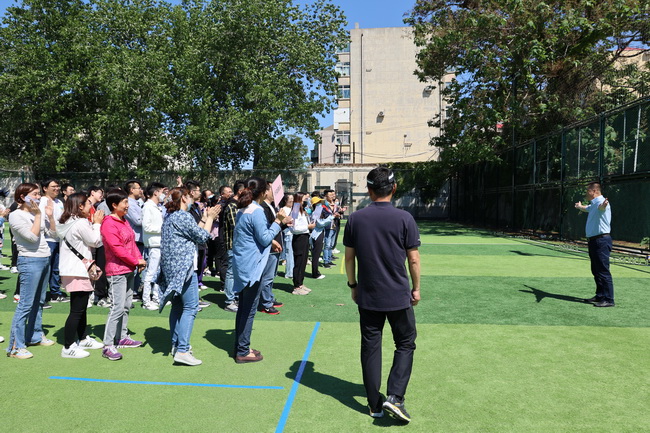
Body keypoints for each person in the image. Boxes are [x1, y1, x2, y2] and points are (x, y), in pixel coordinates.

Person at [343, 167, 421, 423]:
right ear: (394, 188)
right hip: (398, 295)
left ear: (369, 190)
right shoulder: (405, 218)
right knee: (405, 342)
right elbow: (413, 259)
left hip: (368, 295)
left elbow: (349, 258)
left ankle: (374, 404)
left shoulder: (355, 219)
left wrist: (353, 285)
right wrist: (416, 288)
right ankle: (395, 396)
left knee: (370, 346)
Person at [158, 187, 220, 366]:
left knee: (178, 306)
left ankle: (177, 345)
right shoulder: (183, 216)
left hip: (173, 269)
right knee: (191, 307)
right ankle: (183, 350)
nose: (192, 197)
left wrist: (204, 218)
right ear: (183, 198)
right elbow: (202, 237)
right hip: (184, 268)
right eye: (188, 195)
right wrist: (210, 218)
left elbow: (193, 233)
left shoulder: (171, 216)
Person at [231, 177, 287, 363]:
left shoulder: (243, 209)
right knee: (248, 310)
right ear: (263, 192)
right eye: (269, 189)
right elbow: (263, 238)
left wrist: (270, 239)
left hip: (243, 263)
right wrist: (278, 221)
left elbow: (254, 236)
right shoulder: (256, 211)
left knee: (244, 307)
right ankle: (242, 350)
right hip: (252, 266)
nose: (271, 192)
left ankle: (241, 346)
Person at [6, 183, 56, 359]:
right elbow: (32, 237)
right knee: (25, 304)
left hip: (44, 258)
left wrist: (49, 217)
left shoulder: (36, 213)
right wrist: (39, 216)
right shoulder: (15, 215)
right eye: (34, 194)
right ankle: (15, 347)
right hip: (29, 260)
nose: (38, 197)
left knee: (39, 301)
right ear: (22, 197)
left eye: (38, 194)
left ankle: (34, 336)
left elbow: (53, 234)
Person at [100, 188, 147, 361]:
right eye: (125, 202)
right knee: (117, 308)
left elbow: (132, 244)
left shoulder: (123, 220)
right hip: (116, 271)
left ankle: (122, 337)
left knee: (126, 305)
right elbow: (117, 248)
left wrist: (139, 259)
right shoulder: (108, 223)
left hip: (129, 270)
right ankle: (108, 345)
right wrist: (136, 261)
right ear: (114, 205)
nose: (128, 206)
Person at [57, 193, 105, 358]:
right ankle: (68, 346)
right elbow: (96, 241)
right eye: (88, 204)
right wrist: (97, 224)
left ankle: (83, 338)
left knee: (81, 307)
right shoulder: (80, 222)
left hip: (71, 269)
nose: (91, 207)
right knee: (77, 310)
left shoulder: (67, 221)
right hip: (78, 270)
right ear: (80, 206)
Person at [574, 182, 615, 307]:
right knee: (596, 270)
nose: (586, 193)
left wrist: (604, 205)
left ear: (594, 191)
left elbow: (602, 207)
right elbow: (587, 208)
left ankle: (609, 299)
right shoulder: (593, 204)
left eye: (587, 191)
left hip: (601, 241)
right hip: (594, 241)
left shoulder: (601, 202)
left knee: (603, 270)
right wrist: (580, 206)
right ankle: (600, 295)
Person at [258, 182, 285, 315]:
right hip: (269, 245)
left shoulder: (271, 206)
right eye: (273, 190)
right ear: (266, 192)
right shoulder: (262, 207)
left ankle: (269, 298)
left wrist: (283, 222)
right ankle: (266, 303)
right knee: (267, 277)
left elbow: (276, 225)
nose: (276, 193)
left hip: (275, 244)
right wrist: (272, 241)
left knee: (271, 276)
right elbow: (267, 229)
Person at [40, 178, 67, 303]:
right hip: (47, 239)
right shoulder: (43, 201)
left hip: (58, 239)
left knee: (56, 268)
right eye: (53, 186)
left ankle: (55, 292)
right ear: (45, 188)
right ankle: (42, 296)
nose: (57, 188)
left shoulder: (59, 202)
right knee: (46, 268)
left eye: (58, 186)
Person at [142, 182, 166, 310]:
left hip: (159, 243)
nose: (163, 195)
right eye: (162, 192)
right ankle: (146, 300)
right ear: (156, 193)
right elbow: (146, 226)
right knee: (150, 273)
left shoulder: (157, 207)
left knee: (158, 272)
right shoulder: (148, 206)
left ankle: (156, 297)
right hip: (153, 244)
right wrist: (163, 228)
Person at [221, 180, 245, 312]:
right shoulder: (232, 206)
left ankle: (235, 297)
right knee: (230, 272)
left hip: (239, 246)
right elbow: (237, 226)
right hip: (232, 245)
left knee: (236, 272)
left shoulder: (239, 205)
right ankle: (229, 301)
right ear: (240, 191)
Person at [290, 193, 315, 295]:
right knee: (299, 262)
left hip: (304, 237)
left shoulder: (301, 209)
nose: (306, 200)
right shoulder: (295, 210)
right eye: (305, 198)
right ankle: (296, 286)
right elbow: (294, 228)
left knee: (303, 261)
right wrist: (307, 227)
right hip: (299, 238)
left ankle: (300, 283)